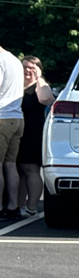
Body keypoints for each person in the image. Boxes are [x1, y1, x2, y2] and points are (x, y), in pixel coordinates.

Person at [19, 56, 54, 216]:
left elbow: (47, 99)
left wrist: (39, 77)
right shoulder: (15, 85)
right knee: (17, 169)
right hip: (16, 132)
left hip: (33, 132)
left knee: (31, 168)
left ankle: (31, 206)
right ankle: (17, 206)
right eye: (25, 67)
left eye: (32, 68)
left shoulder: (40, 86)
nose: (27, 71)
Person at [0, 44, 23, 222]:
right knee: (10, 164)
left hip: (2, 117)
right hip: (17, 117)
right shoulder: (15, 60)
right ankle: (13, 206)